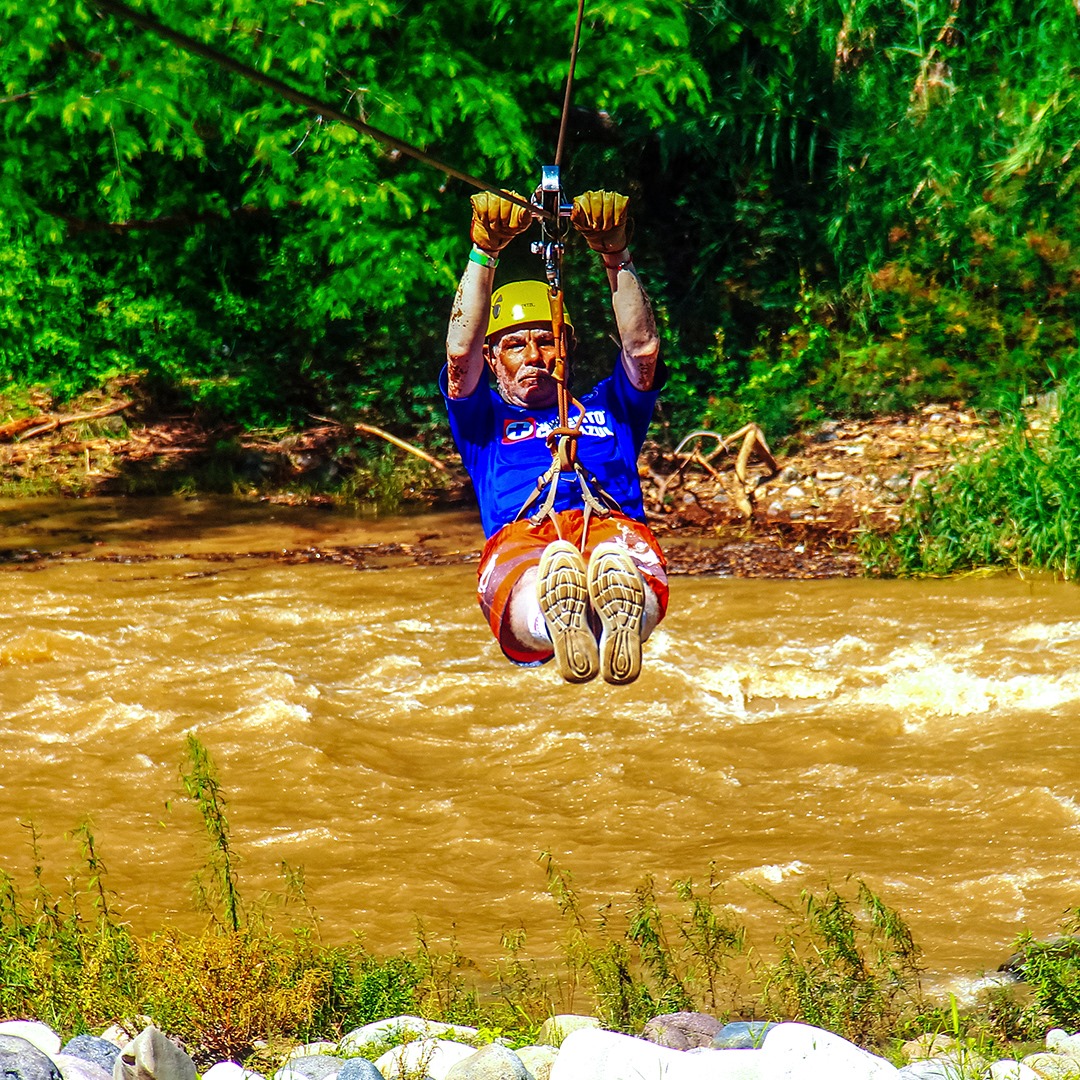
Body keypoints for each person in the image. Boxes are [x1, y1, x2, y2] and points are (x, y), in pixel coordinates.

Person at [442, 189, 668, 685]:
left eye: (547, 341)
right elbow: (459, 356)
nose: (534, 356)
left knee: (625, 563)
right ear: (493, 358)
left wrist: (616, 254)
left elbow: (643, 348)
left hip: (611, 527)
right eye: (515, 345)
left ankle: (617, 614)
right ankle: (555, 621)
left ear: (567, 347)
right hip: (523, 537)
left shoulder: (612, 405)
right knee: (529, 578)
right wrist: (484, 252)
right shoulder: (484, 421)